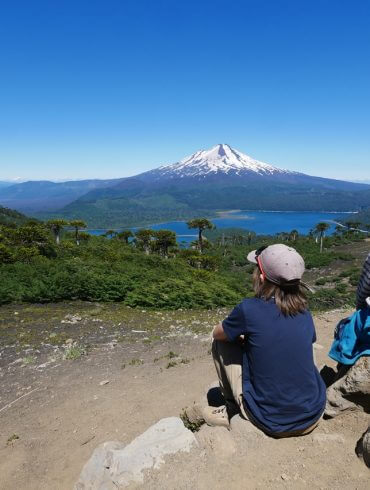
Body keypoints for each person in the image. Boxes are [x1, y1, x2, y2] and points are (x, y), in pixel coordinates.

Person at [203, 243, 326, 437]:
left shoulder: (248, 309)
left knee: (222, 341)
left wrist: (242, 338)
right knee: (304, 343)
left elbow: (217, 333)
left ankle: (231, 408)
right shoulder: (304, 309)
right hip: (313, 415)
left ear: (261, 277)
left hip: (267, 419)